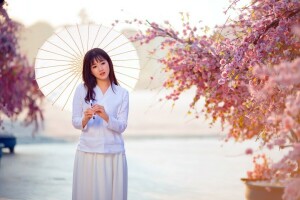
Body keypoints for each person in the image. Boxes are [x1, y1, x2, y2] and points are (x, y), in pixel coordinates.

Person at [72, 48, 129, 200]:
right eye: (94, 66)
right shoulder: (82, 90)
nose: (100, 69)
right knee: (88, 193)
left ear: (109, 63)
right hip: (88, 150)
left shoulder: (122, 93)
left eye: (102, 63)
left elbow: (122, 126)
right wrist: (85, 118)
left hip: (113, 151)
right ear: (89, 70)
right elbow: (75, 121)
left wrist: (106, 117)